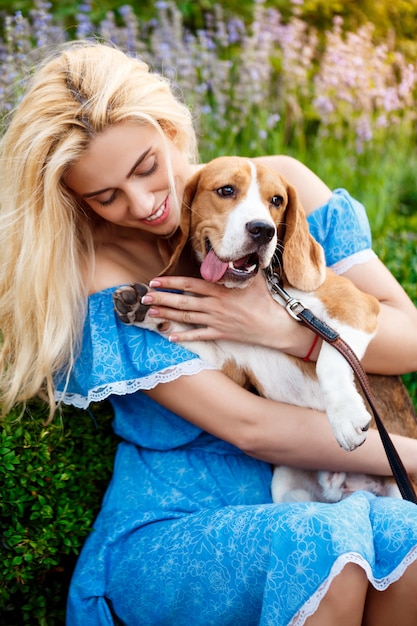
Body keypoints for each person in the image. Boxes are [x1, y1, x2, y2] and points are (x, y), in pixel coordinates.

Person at [1, 41, 417, 626]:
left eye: (147, 167)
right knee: (330, 547)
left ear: (171, 128)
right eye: (105, 195)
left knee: (408, 539)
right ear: (76, 199)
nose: (144, 203)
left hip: (313, 496)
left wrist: (282, 329)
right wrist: (412, 461)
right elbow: (253, 426)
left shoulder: (281, 188)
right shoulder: (107, 274)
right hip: (178, 523)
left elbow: (409, 336)